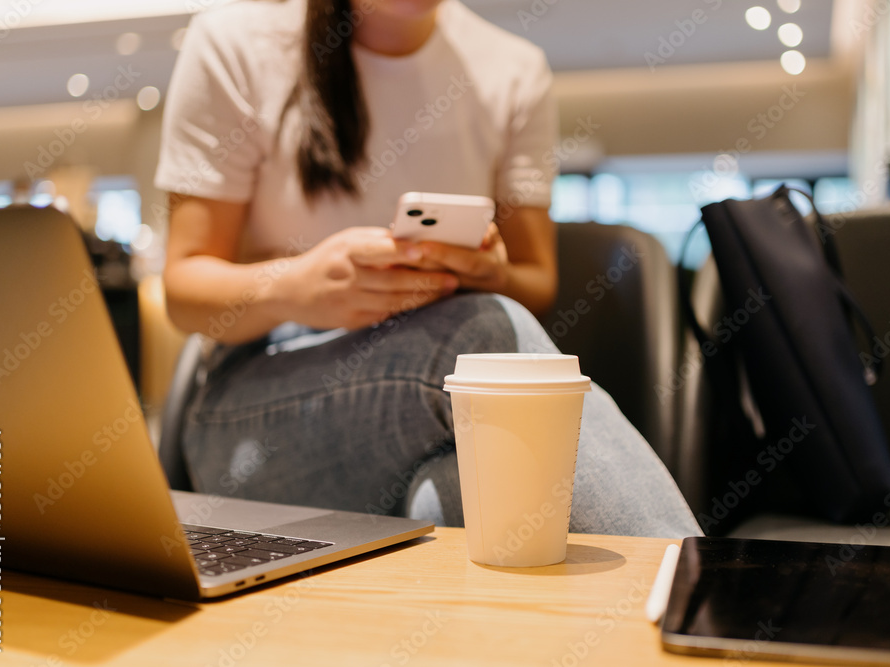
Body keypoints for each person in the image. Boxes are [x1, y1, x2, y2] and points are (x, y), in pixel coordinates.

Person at [155, 0, 700, 538]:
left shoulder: (513, 68)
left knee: (464, 495)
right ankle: (702, 593)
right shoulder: (234, 44)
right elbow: (184, 289)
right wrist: (297, 288)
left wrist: (487, 272)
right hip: (256, 407)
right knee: (484, 331)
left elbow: (534, 282)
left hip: (433, 397)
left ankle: (690, 602)